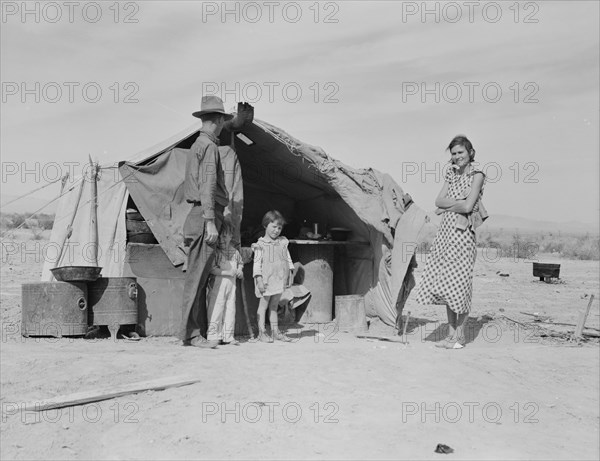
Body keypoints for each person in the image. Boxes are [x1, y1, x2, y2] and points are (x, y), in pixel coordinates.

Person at [414, 135, 487, 349]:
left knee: (460, 283)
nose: (457, 157)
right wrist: (460, 202)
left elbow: (467, 208)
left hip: (463, 233)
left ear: (470, 152)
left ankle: (460, 336)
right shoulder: (451, 173)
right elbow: (438, 201)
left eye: (460, 153)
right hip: (445, 232)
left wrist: (451, 205)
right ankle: (450, 334)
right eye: (454, 153)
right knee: (446, 283)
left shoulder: (478, 175)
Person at [180, 95, 233, 348]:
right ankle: (191, 335)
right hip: (204, 216)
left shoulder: (198, 145)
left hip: (198, 215)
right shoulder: (209, 147)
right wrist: (210, 221)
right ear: (220, 120)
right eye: (223, 120)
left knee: (198, 279)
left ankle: (194, 333)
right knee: (197, 280)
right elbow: (208, 186)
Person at [252, 210, 295, 342]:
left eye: (279, 228)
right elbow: (257, 264)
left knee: (274, 306)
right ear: (265, 225)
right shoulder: (260, 245)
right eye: (274, 227)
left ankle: (275, 332)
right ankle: (262, 333)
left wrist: (290, 274)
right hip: (265, 280)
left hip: (278, 279)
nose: (276, 230)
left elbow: (288, 259)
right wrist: (259, 280)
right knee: (263, 306)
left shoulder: (282, 242)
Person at [206, 220, 244, 346]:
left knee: (230, 310)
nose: (222, 239)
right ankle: (213, 335)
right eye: (220, 236)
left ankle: (228, 336)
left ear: (231, 236)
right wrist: (227, 272)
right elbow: (212, 269)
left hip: (231, 288)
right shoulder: (216, 252)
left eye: (225, 236)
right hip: (218, 287)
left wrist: (239, 271)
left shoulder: (235, 252)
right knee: (216, 310)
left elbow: (240, 264)